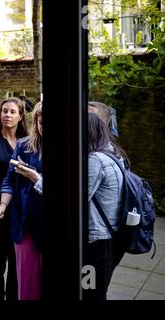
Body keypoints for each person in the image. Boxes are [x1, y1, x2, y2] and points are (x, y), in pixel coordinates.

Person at [0, 101, 43, 300]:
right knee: (27, 283)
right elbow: (9, 180)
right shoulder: (24, 146)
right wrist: (3, 205)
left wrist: (36, 178)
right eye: (40, 122)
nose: (43, 127)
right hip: (23, 223)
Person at [0, 97, 29, 301]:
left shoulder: (28, 142)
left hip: (21, 211)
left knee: (17, 264)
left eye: (12, 111)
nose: (7, 115)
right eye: (4, 111)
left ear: (20, 116)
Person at [84, 112, 128, 300]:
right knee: (96, 292)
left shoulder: (95, 160)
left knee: (89, 292)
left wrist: (37, 180)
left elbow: (74, 199)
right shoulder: (115, 155)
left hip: (96, 244)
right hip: (110, 238)